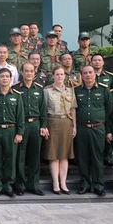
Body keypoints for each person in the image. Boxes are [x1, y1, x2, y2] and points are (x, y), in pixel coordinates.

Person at [74, 65, 112, 196]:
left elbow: (109, 111)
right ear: (82, 75)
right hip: (82, 128)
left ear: (94, 74)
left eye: (90, 72)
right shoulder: (76, 90)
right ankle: (84, 184)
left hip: (98, 128)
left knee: (97, 157)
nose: (88, 75)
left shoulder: (103, 90)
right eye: (85, 73)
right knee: (82, 157)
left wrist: (108, 130)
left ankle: (98, 185)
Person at [13, 63, 48, 196]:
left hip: (35, 125)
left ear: (35, 72)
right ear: (21, 72)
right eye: (26, 71)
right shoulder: (15, 89)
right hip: (21, 125)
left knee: (35, 157)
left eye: (31, 71)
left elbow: (43, 110)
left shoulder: (39, 89)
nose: (29, 73)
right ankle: (20, 185)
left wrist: (43, 126)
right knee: (20, 157)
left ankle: (33, 185)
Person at [0, 68, 25, 197]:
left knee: (11, 160)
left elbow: (20, 116)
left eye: (7, 76)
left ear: (11, 79)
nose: (5, 78)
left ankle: (8, 185)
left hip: (12, 131)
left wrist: (20, 133)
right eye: (2, 76)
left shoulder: (16, 95)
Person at [43, 66, 77, 195]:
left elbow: (73, 109)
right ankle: (55, 183)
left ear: (65, 76)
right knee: (54, 155)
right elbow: (44, 109)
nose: (59, 76)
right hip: (53, 122)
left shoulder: (70, 91)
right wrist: (44, 125)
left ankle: (63, 182)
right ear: (53, 76)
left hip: (66, 123)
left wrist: (74, 126)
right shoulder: (47, 91)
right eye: (57, 74)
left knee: (64, 155)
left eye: (62, 74)